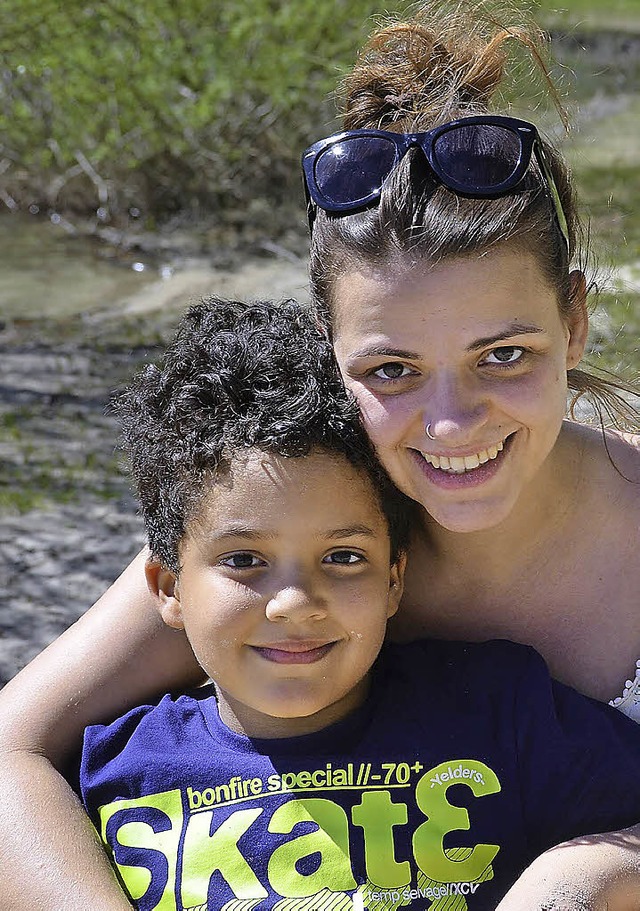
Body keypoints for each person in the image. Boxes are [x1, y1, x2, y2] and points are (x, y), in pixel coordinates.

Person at [0, 2, 639, 909]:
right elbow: (9, 754)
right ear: (325, 350)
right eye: (392, 368)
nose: (452, 423)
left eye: (505, 354)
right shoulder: (290, 523)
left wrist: (594, 871)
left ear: (573, 322)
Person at [79, 296, 640, 911]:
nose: (294, 603)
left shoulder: (507, 717)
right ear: (166, 588)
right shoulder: (111, 774)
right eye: (243, 561)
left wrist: (584, 878)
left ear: (396, 579)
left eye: (344, 557)